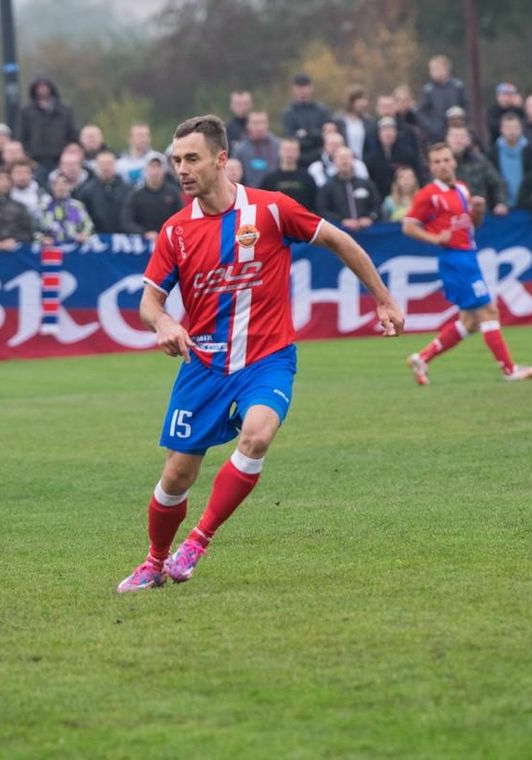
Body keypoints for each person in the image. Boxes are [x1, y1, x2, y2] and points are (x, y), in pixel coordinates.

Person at [116, 114, 403, 593]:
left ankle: (199, 541)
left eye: (192, 159)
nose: (181, 170)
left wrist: (385, 298)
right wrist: (164, 322)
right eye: (175, 161)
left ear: (221, 160)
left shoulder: (270, 210)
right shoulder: (175, 232)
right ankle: (154, 561)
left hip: (267, 358)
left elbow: (339, 239)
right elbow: (149, 301)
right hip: (203, 365)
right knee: (177, 474)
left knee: (257, 436)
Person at [404, 142, 532, 387]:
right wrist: (435, 238)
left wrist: (478, 211)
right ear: (431, 167)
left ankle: (422, 358)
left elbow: (471, 225)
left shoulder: (461, 189)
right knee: (489, 311)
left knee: (470, 322)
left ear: (454, 161)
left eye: (446, 160)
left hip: (468, 255)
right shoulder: (428, 194)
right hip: (455, 259)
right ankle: (510, 370)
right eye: (437, 162)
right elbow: (408, 225)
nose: (443, 165)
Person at [16, 75, 77, 174]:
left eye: (45, 86)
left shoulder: (65, 109)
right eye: (39, 87)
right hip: (36, 160)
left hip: (61, 159)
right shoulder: (26, 111)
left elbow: (72, 133)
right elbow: (21, 135)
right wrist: (27, 156)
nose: (42, 89)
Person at [446, 125, 508, 215]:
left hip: (478, 216)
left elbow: (498, 183)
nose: (458, 141)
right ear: (447, 139)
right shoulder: (441, 162)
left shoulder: (480, 161)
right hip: (450, 216)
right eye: (455, 136)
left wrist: (501, 203)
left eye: (462, 137)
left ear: (468, 140)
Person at [120, 152, 183, 239]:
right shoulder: (135, 195)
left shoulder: (173, 193)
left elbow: (181, 218)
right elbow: (127, 222)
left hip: (169, 240)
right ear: (145, 170)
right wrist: (144, 233)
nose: (155, 171)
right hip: (142, 243)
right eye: (152, 167)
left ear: (164, 170)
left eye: (158, 167)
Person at [316, 145, 380, 230]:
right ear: (334, 161)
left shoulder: (366, 184)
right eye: (341, 158)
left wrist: (370, 217)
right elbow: (322, 210)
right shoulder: (327, 187)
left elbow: (377, 203)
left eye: (347, 157)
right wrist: (341, 221)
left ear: (354, 160)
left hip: (366, 232)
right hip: (339, 232)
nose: (344, 161)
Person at [364, 116, 424, 200]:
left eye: (391, 130)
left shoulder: (407, 154)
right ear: (379, 133)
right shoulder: (372, 158)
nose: (388, 133)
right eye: (384, 130)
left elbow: (418, 174)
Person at [74, 150, 131, 234]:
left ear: (115, 165)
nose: (105, 167)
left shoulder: (128, 190)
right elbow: (79, 215)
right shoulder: (86, 191)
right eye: (102, 164)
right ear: (96, 166)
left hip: (123, 238)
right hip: (95, 238)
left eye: (109, 164)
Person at [281, 73, 332, 166]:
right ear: (293, 89)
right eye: (299, 87)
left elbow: (325, 136)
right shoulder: (289, 113)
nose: (302, 91)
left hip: (320, 158)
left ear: (311, 88)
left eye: (305, 87)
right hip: (298, 160)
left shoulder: (322, 111)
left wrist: (307, 133)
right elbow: (290, 137)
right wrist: (314, 135)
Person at [417, 55, 467, 142]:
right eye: (431, 69)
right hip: (436, 136)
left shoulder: (457, 87)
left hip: (457, 133)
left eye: (435, 68)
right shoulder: (428, 90)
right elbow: (421, 112)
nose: (432, 72)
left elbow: (467, 106)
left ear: (446, 69)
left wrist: (461, 123)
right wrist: (432, 127)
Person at [259, 137, 317, 211]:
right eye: (286, 150)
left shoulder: (307, 178)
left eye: (293, 150)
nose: (289, 154)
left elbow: (314, 206)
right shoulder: (269, 179)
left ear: (298, 153)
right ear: (279, 151)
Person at [489, 112, 532, 207]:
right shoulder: (493, 153)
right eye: (508, 128)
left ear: (521, 129)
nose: (511, 132)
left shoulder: (530, 151)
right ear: (501, 129)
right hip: (502, 207)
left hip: (526, 206)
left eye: (515, 128)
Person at [38, 172, 93, 245]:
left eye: (64, 184)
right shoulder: (44, 207)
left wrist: (84, 234)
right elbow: (35, 230)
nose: (61, 188)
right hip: (52, 250)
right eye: (57, 185)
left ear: (69, 186)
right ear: (52, 187)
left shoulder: (77, 206)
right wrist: (42, 239)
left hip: (75, 249)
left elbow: (88, 224)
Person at [232, 111, 280, 188]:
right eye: (255, 123)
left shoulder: (278, 146)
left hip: (273, 193)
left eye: (262, 123)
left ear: (267, 124)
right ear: (248, 125)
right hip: (248, 193)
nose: (259, 127)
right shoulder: (240, 149)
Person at [486, 82, 524, 146]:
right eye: (505, 94)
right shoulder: (492, 111)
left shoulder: (519, 110)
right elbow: (494, 127)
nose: (508, 97)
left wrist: (518, 107)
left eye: (511, 94)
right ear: (498, 96)